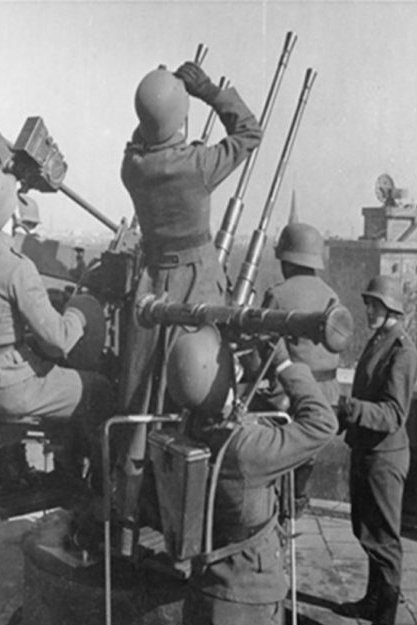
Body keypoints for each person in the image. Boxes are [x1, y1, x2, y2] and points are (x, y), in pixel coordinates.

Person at [116, 60, 263, 540]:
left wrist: (166, 104)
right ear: (179, 120)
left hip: (150, 287)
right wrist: (206, 91)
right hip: (197, 284)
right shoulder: (197, 166)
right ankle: (201, 512)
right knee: (200, 395)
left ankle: (130, 514)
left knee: (141, 400)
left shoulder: (132, 167)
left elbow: (146, 137)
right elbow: (249, 132)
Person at [164, 326, 338, 625]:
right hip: (247, 600)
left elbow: (221, 408)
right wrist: (284, 364)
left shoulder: (187, 428)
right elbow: (323, 423)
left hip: (205, 587)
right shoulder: (247, 450)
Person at [0, 167, 114, 486]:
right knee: (99, 389)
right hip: (11, 390)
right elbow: (59, 341)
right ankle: (97, 489)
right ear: (10, 213)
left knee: (64, 380)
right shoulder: (17, 268)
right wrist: (81, 308)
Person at [334, 275, 417, 625]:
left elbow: (392, 414)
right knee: (366, 532)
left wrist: (350, 410)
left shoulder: (402, 350)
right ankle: (372, 601)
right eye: (368, 302)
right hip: (368, 453)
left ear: (391, 308)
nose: (367, 308)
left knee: (385, 545)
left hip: (385, 459)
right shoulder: (380, 340)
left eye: (374, 304)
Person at [260, 221, 343, 514]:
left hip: (292, 397)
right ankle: (296, 501)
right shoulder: (332, 294)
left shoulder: (279, 294)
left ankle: (276, 509)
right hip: (329, 399)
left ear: (287, 260)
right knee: (304, 461)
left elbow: (267, 348)